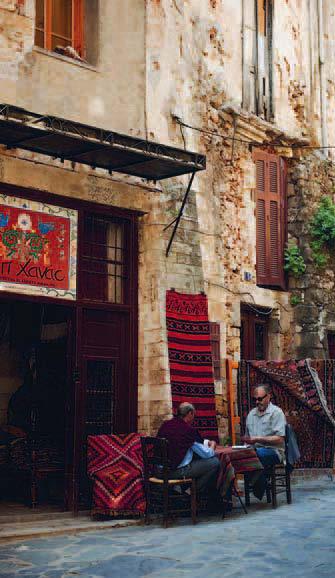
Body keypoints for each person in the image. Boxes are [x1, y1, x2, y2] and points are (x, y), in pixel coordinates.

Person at [157, 402, 220, 496]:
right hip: (173, 472)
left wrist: (206, 442)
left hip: (159, 470)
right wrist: (212, 445)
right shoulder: (187, 429)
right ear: (190, 413)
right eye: (194, 414)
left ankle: (179, 489)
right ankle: (191, 493)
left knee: (191, 459)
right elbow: (207, 454)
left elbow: (194, 442)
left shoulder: (166, 425)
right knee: (214, 462)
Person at [242, 384, 286, 499]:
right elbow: (248, 437)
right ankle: (262, 481)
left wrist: (257, 439)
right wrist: (245, 445)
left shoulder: (276, 413)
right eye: (254, 399)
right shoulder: (251, 414)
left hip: (274, 451)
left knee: (257, 455)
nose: (257, 402)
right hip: (255, 450)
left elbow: (280, 438)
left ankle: (259, 486)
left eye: (260, 399)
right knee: (240, 455)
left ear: (268, 397)